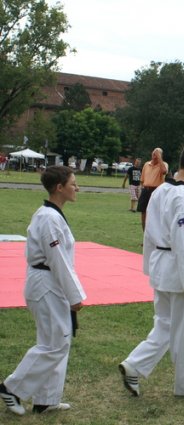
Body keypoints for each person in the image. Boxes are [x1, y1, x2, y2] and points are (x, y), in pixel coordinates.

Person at [118, 141, 184, 398]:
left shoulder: (160, 191)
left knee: (164, 325)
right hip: (178, 268)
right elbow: (183, 242)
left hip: (162, 266)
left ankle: (135, 365)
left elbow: (148, 231)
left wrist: (150, 266)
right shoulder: (183, 197)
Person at [1, 166, 86, 416]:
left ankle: (46, 399)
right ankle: (11, 388)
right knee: (55, 344)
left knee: (56, 340)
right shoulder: (49, 217)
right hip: (46, 283)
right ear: (59, 188)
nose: (77, 187)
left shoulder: (52, 215)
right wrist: (75, 295)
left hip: (50, 283)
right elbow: (57, 258)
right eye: (73, 183)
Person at [137, 148, 169, 231]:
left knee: (154, 214)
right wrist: (140, 190)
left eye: (157, 153)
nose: (155, 155)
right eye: (154, 153)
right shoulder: (146, 164)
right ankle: (145, 236)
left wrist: (159, 158)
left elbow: (164, 171)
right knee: (143, 213)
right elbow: (142, 180)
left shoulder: (163, 164)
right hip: (145, 190)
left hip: (156, 191)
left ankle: (154, 237)